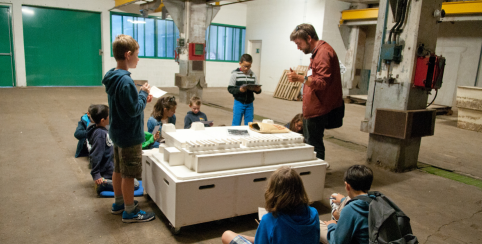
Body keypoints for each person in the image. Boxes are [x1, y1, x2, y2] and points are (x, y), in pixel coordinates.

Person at [102, 34, 155, 223]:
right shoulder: (126, 82)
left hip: (117, 132)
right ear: (128, 54)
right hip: (129, 136)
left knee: (118, 169)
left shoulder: (113, 77)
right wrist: (143, 95)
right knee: (129, 174)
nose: (138, 59)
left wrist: (139, 97)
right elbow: (134, 110)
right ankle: (130, 211)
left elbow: (127, 105)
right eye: (137, 55)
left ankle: (118, 203)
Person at [221, 166, 320, 244]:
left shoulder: (270, 220)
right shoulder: (313, 213)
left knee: (227, 235)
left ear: (273, 192)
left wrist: (265, 227)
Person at [288, 24, 343, 160]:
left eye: (299, 43)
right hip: (314, 108)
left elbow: (322, 83)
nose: (298, 47)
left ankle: (316, 175)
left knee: (314, 145)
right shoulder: (317, 52)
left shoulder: (323, 53)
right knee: (310, 141)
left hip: (319, 109)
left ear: (308, 38)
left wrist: (300, 78)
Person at [87, 104, 139, 195]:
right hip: (108, 170)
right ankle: (103, 184)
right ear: (103, 120)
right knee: (134, 184)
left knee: (131, 177)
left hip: (112, 166)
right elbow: (95, 154)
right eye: (109, 116)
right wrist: (96, 174)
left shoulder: (103, 130)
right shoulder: (100, 134)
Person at [319, 165, 372, 244]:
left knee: (316, 223)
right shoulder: (377, 199)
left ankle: (335, 218)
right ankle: (337, 217)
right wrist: (343, 200)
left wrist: (331, 225)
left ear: (347, 186)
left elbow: (337, 242)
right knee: (335, 197)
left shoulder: (350, 210)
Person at [228, 54, 262, 126]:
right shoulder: (235, 74)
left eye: (249, 66)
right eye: (244, 66)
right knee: (236, 123)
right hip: (239, 103)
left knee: (250, 124)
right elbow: (230, 88)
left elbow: (258, 90)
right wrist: (239, 90)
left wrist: (257, 90)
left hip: (249, 104)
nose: (246, 68)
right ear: (240, 63)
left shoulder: (253, 75)